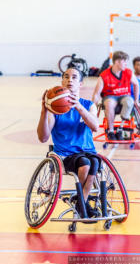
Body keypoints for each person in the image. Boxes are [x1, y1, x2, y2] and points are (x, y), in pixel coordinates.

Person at [37, 66, 100, 218]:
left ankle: (81, 202)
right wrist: (44, 112)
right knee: (85, 163)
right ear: (62, 82)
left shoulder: (88, 105)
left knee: (94, 161)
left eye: (74, 77)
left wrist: (78, 107)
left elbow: (95, 126)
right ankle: (83, 205)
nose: (69, 80)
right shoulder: (55, 109)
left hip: (88, 152)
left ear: (81, 84)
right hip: (64, 156)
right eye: (66, 77)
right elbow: (43, 138)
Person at [92, 51, 140, 140]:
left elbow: (136, 84)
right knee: (110, 103)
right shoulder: (104, 75)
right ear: (117, 62)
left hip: (124, 96)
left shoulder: (128, 72)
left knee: (129, 101)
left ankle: (120, 129)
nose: (126, 64)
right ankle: (111, 131)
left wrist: (136, 100)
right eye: (124, 62)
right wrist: (93, 109)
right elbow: (96, 94)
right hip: (110, 96)